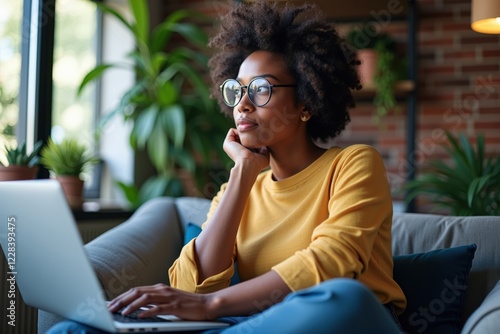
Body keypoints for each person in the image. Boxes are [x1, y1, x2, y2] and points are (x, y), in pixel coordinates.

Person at [48, 1, 406, 333]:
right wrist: (243, 173)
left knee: (344, 296)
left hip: (345, 320)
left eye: (262, 89)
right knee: (73, 329)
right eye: (237, 90)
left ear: (305, 104)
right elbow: (188, 286)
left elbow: (332, 265)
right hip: (255, 323)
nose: (243, 104)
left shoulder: (354, 164)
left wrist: (210, 305)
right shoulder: (237, 187)